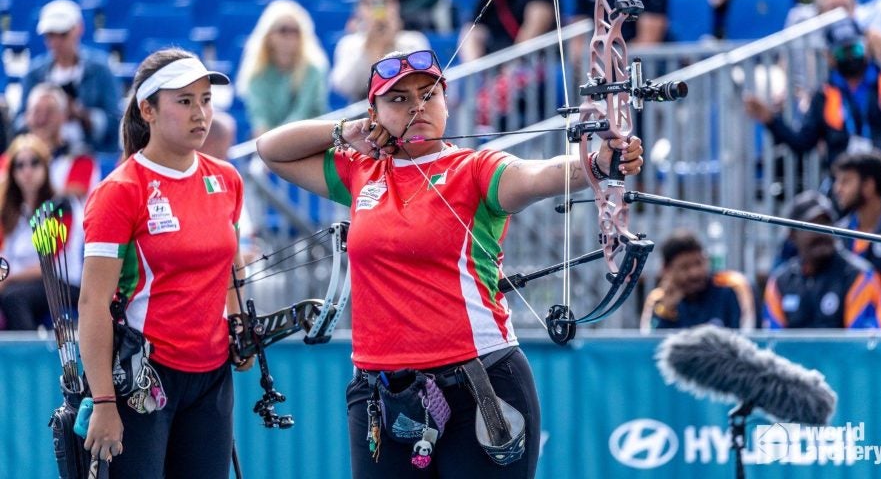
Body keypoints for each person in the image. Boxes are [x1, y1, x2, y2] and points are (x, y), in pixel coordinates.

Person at [256, 48, 644, 478]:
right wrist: (347, 131)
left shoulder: (476, 168)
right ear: (375, 113)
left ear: (446, 100)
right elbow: (271, 150)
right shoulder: (361, 172)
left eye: (428, 94)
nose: (416, 106)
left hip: (480, 384)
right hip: (381, 391)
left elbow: (537, 175)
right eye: (398, 98)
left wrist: (594, 163)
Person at [78, 49, 252, 475]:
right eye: (185, 100)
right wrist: (103, 401)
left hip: (212, 377)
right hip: (145, 375)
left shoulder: (226, 178)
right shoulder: (119, 191)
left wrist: (240, 324)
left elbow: (232, 265)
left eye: (206, 99)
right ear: (148, 110)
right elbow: (92, 303)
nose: (200, 113)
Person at [744, 17, 881, 209]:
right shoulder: (823, 96)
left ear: (866, 47)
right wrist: (771, 120)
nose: (851, 57)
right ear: (829, 56)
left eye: (856, 48)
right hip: (844, 182)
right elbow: (802, 142)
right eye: (843, 52)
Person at [460, 0, 556, 131]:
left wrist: (508, 69)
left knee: (502, 91)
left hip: (531, 64)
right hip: (496, 70)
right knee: (466, 90)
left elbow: (534, 27)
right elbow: (471, 33)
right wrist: (475, 68)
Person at [763, 190, 881, 329]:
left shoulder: (860, 277)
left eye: (826, 223)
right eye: (812, 226)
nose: (821, 233)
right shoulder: (779, 283)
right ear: (793, 235)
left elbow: (863, 344)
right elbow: (773, 342)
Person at [0, 134, 83, 330]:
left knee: (14, 297)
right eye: (20, 165)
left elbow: (46, 266)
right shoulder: (10, 212)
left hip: (62, 283)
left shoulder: (60, 207)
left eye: (34, 163)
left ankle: (28, 360)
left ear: (45, 166)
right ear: (12, 173)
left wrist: (7, 279)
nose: (27, 171)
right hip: (19, 282)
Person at [18, 0, 121, 152]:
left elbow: (114, 123)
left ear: (78, 29)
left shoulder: (101, 70)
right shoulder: (34, 73)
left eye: (62, 34)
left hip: (89, 153)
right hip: (42, 155)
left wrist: (81, 115)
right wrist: (40, 115)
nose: (56, 41)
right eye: (50, 35)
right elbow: (18, 122)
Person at [236, 0, 329, 137]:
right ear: (269, 35)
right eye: (283, 30)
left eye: (295, 31)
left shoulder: (313, 70)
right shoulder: (256, 74)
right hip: (270, 143)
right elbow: (260, 120)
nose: (290, 36)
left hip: (311, 139)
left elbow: (301, 115)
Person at [330, 0, 430, 103]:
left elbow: (422, 82)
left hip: (406, 110)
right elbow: (343, 86)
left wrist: (393, 43)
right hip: (363, 116)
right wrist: (371, 47)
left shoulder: (413, 41)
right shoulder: (349, 44)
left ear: (396, 5)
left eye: (384, 1)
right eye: (370, 2)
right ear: (360, 8)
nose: (378, 9)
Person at [640, 230, 756, 331]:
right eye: (685, 267)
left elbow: (746, 340)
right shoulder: (658, 300)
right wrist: (666, 311)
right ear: (666, 269)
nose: (695, 273)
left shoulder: (731, 288)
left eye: (699, 263)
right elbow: (648, 347)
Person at [831, 150, 881, 309]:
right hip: (844, 328)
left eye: (846, 181)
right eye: (837, 181)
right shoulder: (836, 235)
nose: (837, 189)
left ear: (868, 185)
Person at [22, 83, 99, 200]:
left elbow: (67, 200)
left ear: (64, 116)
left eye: (50, 112)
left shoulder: (81, 158)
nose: (42, 119)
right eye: (36, 111)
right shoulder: (13, 159)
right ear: (27, 116)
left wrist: (20, 192)